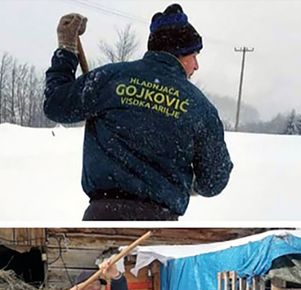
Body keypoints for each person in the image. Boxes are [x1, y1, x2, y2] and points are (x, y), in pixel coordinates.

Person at [44, 4, 233, 221]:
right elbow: (214, 181)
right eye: (194, 54)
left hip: (103, 214)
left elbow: (56, 104)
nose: (196, 65)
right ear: (179, 53)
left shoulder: (111, 78)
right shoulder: (200, 108)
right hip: (160, 220)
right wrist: (190, 183)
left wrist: (66, 49)